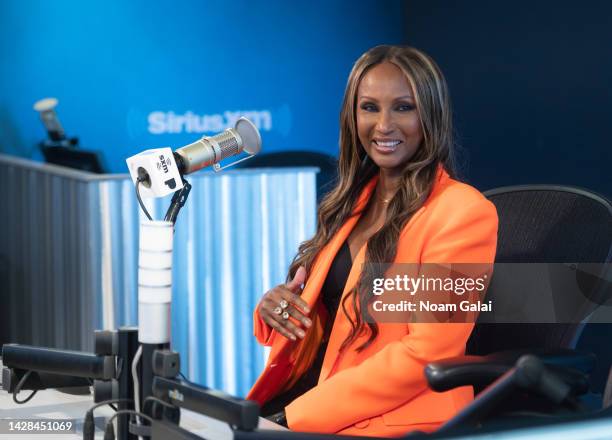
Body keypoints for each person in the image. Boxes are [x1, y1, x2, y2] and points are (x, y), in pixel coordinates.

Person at [247, 45, 498, 437]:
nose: (383, 125)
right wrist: (275, 310)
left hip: (384, 422)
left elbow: (426, 353)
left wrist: (292, 417)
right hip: (304, 409)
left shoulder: (463, 212)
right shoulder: (350, 203)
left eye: (403, 107)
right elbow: (333, 331)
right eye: (369, 108)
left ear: (429, 114)